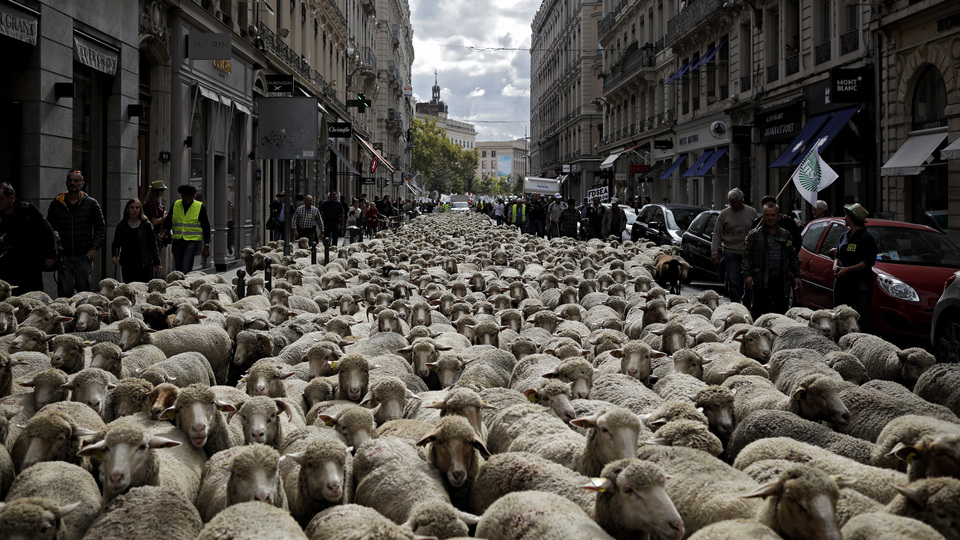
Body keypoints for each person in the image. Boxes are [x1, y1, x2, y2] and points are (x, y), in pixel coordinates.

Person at [47, 169, 106, 297]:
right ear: (66, 182)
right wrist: (52, 253)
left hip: (83, 255)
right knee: (65, 292)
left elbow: (100, 228)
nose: (73, 183)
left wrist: (94, 248)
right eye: (70, 180)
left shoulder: (91, 204)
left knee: (84, 292)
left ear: (82, 184)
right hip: (64, 257)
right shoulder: (57, 203)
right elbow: (49, 229)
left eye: (76, 180)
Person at [743, 202, 802, 319]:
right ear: (763, 217)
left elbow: (792, 256)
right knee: (757, 312)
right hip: (760, 280)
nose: (770, 218)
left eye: (773, 215)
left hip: (780, 280)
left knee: (781, 313)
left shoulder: (786, 235)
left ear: (778, 216)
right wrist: (746, 275)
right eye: (767, 215)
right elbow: (746, 256)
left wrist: (797, 276)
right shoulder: (754, 235)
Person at [0, 183, 57, 292]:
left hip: (29, 263)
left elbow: (47, 229)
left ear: (11, 197)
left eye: (1, 199)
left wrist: (51, 253)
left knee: (32, 295)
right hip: (7, 265)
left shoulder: (26, 210)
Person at [833, 203, 878, 332]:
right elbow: (837, 253)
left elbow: (868, 261)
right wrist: (835, 264)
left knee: (860, 318)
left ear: (852, 218)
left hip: (860, 285)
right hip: (842, 283)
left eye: (846, 216)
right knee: (839, 315)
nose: (844, 218)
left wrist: (847, 270)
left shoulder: (866, 238)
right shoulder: (844, 235)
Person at [711, 188, 759, 306]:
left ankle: (747, 304)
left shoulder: (751, 212)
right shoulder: (724, 214)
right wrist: (714, 251)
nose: (732, 204)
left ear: (741, 200)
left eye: (735, 201)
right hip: (730, 252)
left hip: (748, 253)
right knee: (733, 282)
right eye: (730, 201)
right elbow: (717, 233)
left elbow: (758, 230)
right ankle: (736, 306)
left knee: (749, 282)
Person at [111, 198, 161, 283]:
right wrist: (114, 255)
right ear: (127, 209)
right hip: (128, 263)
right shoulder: (122, 225)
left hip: (145, 264)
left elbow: (153, 244)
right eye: (132, 207)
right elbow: (116, 242)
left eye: (137, 207)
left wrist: (157, 262)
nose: (134, 210)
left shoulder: (146, 225)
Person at [163, 184, 210, 273]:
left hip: (192, 241)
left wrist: (207, 245)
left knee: (186, 267)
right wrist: (165, 232)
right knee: (178, 268)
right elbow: (169, 220)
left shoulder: (199, 206)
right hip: (177, 240)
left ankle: (185, 284)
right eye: (183, 195)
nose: (185, 198)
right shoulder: (176, 204)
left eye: (187, 196)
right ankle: (180, 285)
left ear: (193, 196)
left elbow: (206, 226)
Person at [143, 180, 167, 248]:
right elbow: (154, 221)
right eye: (162, 190)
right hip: (153, 234)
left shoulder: (155, 203)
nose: (163, 192)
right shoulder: (152, 204)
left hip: (155, 233)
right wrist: (165, 217)